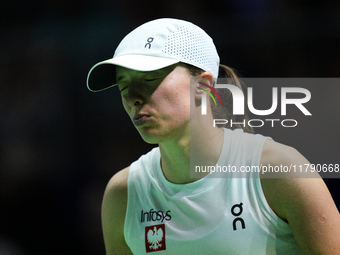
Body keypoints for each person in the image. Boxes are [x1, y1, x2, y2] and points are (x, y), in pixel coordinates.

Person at [86, 18, 340, 254]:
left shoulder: (279, 170)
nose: (133, 98)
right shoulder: (124, 194)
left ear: (204, 86)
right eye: (124, 86)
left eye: (150, 79)